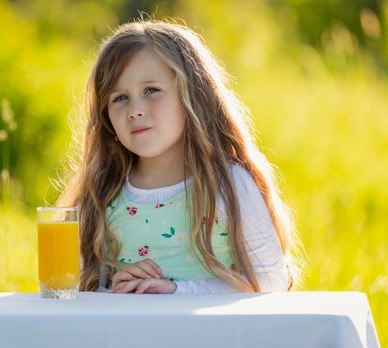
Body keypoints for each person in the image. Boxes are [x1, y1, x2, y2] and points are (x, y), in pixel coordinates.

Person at [59, 19, 303, 294]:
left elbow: (271, 281)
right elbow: (75, 289)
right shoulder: (103, 193)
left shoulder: (229, 185)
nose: (135, 110)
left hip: (217, 337)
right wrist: (117, 290)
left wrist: (177, 291)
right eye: (119, 98)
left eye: (151, 90)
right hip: (133, 337)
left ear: (193, 97)